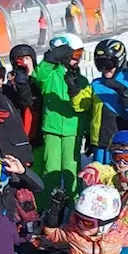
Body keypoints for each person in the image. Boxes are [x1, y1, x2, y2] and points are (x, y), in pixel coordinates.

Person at [33, 33, 89, 199]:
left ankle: (74, 203)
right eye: (75, 54)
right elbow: (38, 77)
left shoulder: (82, 79)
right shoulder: (51, 75)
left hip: (73, 130)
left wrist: (75, 90)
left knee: (71, 169)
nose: (78, 59)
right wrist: (50, 60)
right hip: (52, 128)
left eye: (80, 54)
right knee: (51, 169)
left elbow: (85, 105)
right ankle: (49, 206)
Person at [84, 39, 128, 164]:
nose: (105, 69)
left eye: (109, 63)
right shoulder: (96, 84)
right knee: (99, 180)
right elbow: (90, 113)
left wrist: (123, 93)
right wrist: (88, 135)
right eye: (100, 64)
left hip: (121, 149)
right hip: (100, 145)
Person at [7, 44, 42, 149]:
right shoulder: (12, 83)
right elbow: (24, 101)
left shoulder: (41, 78)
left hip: (41, 126)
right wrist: (21, 81)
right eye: (20, 60)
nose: (25, 63)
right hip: (24, 126)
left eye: (27, 58)